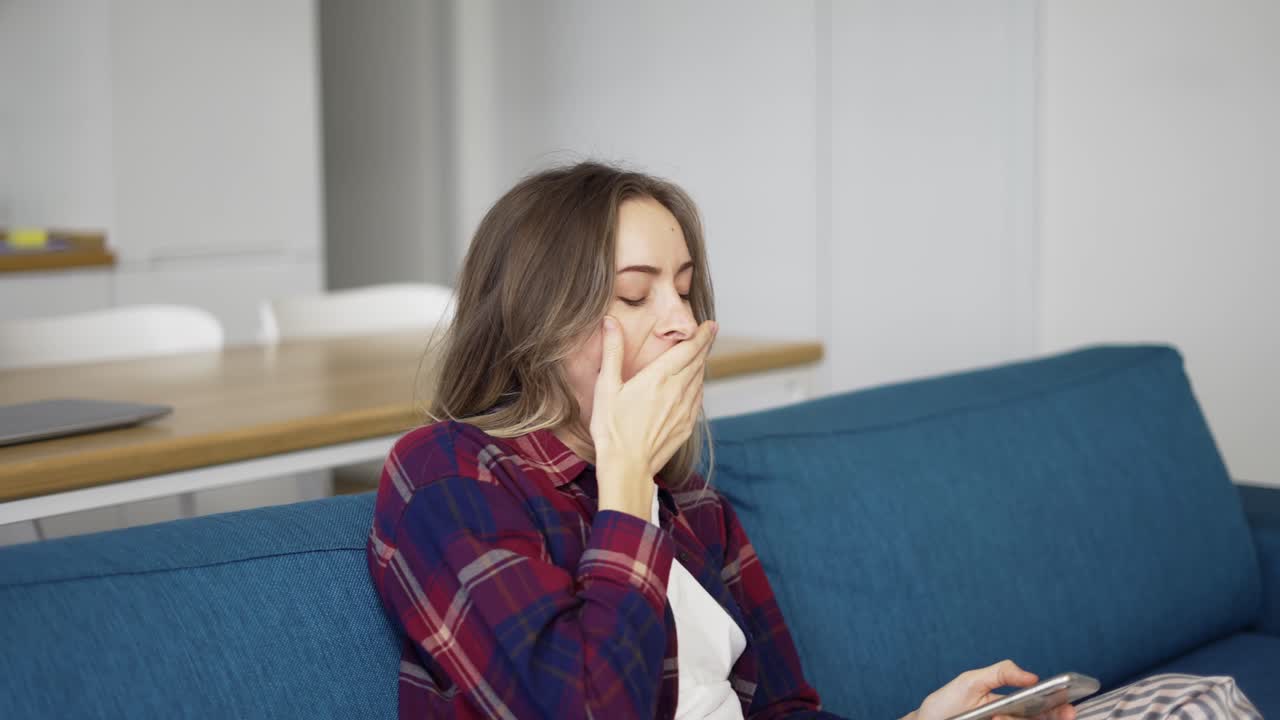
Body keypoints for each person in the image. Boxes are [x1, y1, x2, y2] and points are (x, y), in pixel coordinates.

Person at [366, 162, 1260, 720]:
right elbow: (586, 707)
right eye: (637, 295)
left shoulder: (698, 508)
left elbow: (784, 712)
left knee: (1197, 703)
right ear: (537, 317)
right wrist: (626, 481)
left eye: (686, 288)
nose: (684, 322)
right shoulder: (449, 474)